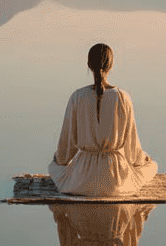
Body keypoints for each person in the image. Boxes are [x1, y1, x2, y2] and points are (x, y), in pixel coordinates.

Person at [48, 43, 158, 197]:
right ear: (111, 66)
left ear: (89, 65)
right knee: (152, 166)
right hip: (115, 180)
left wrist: (59, 159)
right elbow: (131, 149)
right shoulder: (123, 97)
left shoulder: (77, 97)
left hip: (81, 180)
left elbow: (67, 146)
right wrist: (143, 159)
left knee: (54, 167)